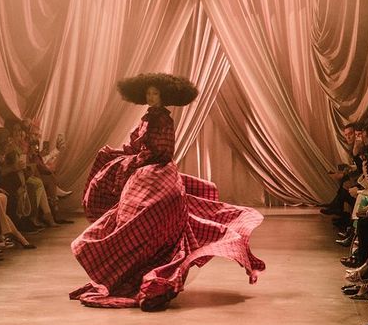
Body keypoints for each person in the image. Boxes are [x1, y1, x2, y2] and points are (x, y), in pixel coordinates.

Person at [70, 73, 265, 311]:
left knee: (148, 229)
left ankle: (155, 281)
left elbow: (162, 150)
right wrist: (122, 154)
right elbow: (136, 145)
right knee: (128, 224)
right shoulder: (147, 118)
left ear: (164, 96)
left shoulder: (162, 120)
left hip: (157, 174)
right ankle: (131, 276)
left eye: (156, 93)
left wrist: (136, 159)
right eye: (149, 93)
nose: (151, 97)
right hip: (144, 173)